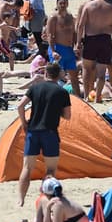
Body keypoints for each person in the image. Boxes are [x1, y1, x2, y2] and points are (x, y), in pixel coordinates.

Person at [16, 63, 72, 206]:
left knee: (27, 168)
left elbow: (20, 106)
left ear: (46, 74)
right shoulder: (62, 92)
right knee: (51, 170)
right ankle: (45, 198)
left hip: (33, 131)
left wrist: (24, 123)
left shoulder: (35, 88)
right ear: (58, 75)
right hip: (50, 132)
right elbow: (67, 116)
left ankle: (21, 199)